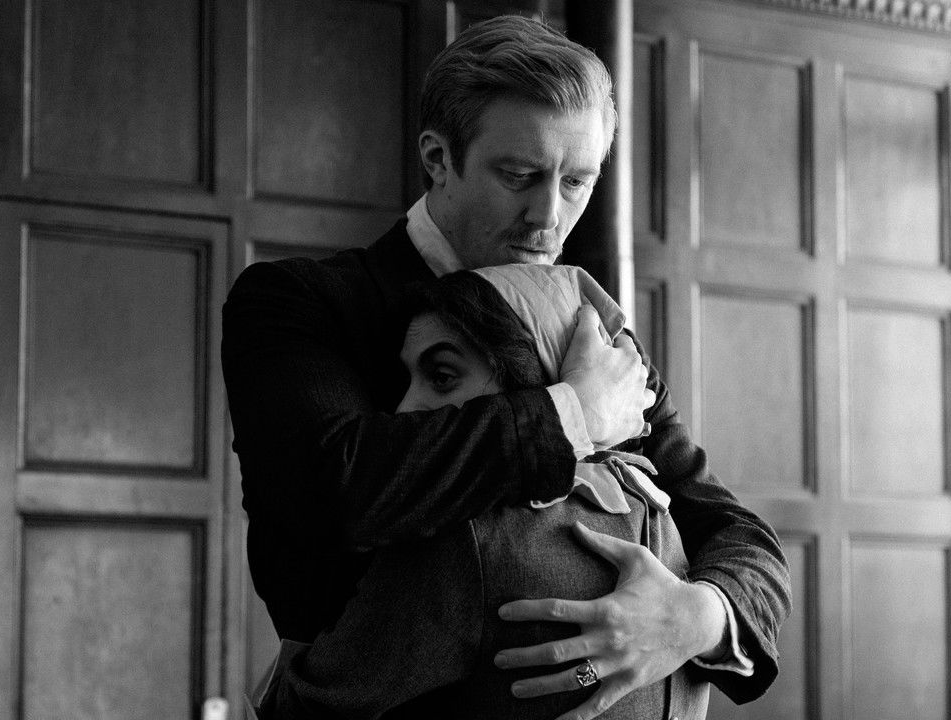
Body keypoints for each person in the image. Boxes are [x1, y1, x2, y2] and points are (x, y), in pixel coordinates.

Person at [222, 15, 790, 719]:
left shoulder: (597, 339)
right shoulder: (298, 303)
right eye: (519, 176)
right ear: (438, 158)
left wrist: (694, 617)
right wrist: (575, 414)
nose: (548, 216)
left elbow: (738, 536)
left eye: (576, 181)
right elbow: (332, 491)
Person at [260, 264, 712, 719]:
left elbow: (304, 710)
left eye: (441, 376)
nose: (404, 407)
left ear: (531, 376)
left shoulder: (467, 542)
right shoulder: (666, 520)